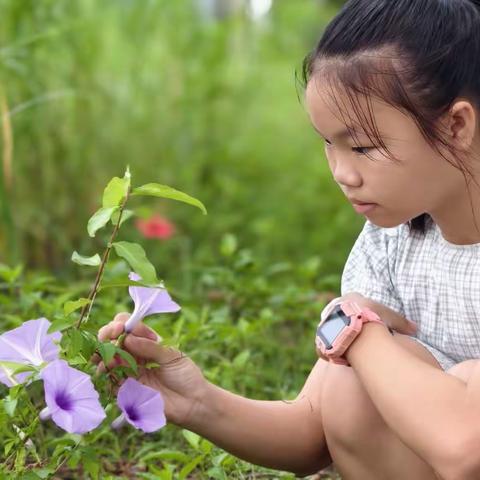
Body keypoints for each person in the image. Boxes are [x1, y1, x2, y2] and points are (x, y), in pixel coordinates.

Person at [97, 0, 480, 478]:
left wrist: (353, 331)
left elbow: (466, 447)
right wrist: (196, 401)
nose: (343, 174)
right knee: (346, 387)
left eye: (363, 147)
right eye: (328, 143)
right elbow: (317, 425)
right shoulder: (389, 244)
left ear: (456, 125)